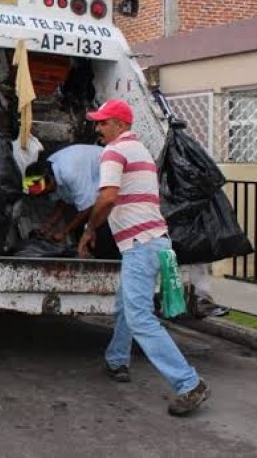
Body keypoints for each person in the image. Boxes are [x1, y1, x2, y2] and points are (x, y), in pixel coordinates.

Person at [78, 99, 210, 417]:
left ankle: (189, 384)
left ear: (120, 124)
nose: (98, 128)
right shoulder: (142, 152)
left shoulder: (114, 152)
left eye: (103, 122)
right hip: (155, 241)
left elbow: (108, 197)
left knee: (139, 317)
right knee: (128, 305)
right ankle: (117, 361)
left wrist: (89, 228)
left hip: (139, 244)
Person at [26, 145, 120, 260]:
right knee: (83, 230)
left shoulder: (69, 173)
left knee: (101, 236)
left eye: (45, 190)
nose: (47, 194)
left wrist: (64, 232)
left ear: (50, 180)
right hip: (95, 189)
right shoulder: (51, 168)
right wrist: (48, 225)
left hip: (116, 181)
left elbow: (87, 207)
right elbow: (63, 200)